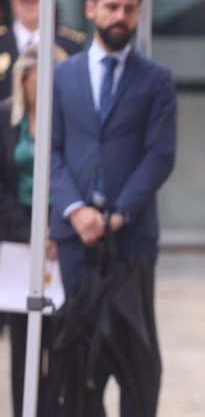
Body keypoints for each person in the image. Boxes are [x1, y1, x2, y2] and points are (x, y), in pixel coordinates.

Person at [49, 0, 176, 417]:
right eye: (111, 6)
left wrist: (118, 214)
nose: (120, 15)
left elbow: (160, 155)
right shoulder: (61, 78)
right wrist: (75, 210)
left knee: (135, 356)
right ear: (91, 10)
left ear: (138, 13)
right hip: (74, 239)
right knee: (79, 355)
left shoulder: (156, 78)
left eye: (128, 8)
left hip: (132, 238)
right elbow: (52, 150)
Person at [0, 44, 67, 417]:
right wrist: (28, 231)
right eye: (34, 79)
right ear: (22, 80)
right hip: (17, 238)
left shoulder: (70, 119)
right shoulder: (6, 118)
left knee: (60, 336)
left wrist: (56, 229)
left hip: (60, 235)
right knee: (23, 336)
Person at [0, 0, 86, 100]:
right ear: (13, 2)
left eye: (35, 0)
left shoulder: (70, 44)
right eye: (23, 0)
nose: (28, 5)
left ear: (47, 1)